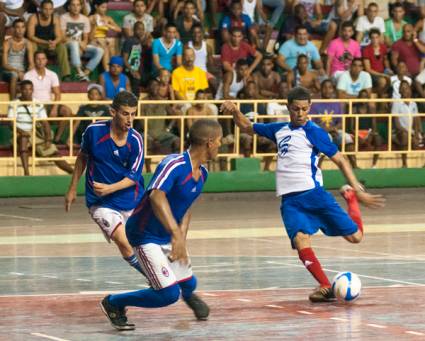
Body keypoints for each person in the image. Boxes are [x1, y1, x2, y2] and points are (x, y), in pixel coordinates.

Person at [222, 87, 385, 302]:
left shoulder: (315, 132)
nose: (300, 113)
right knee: (300, 240)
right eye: (296, 109)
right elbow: (246, 126)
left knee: (355, 237)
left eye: (304, 109)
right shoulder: (278, 129)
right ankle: (325, 285)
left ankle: (350, 200)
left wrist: (358, 191)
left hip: (315, 196)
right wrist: (235, 110)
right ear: (288, 107)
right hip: (290, 201)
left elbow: (341, 160)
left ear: (309, 108)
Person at [100, 119, 222, 330]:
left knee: (189, 284)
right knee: (167, 294)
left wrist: (180, 240)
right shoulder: (173, 164)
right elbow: (157, 196)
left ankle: (187, 293)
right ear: (210, 142)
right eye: (220, 141)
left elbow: (186, 207)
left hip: (168, 235)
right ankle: (113, 303)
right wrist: (176, 235)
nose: (221, 145)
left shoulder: (203, 174)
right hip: (144, 234)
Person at [65, 91, 146, 277]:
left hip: (132, 199)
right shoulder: (93, 132)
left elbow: (133, 177)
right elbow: (82, 157)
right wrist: (72, 188)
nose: (130, 119)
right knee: (124, 243)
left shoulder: (136, 140)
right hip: (101, 203)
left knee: (146, 244)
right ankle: (153, 278)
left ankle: (162, 274)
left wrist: (110, 188)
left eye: (133, 114)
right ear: (112, 112)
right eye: (125, 113)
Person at [7, 80, 73, 176]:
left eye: (30, 89)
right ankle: (27, 173)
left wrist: (48, 139)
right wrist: (21, 132)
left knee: (54, 153)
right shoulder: (14, 104)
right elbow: (11, 123)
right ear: (20, 90)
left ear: (32, 90)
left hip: (35, 134)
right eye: (25, 89)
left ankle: (73, 172)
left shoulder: (38, 103)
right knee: (23, 139)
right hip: (19, 133)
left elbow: (45, 123)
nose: (27, 91)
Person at [26, 0, 70, 80]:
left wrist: (54, 42)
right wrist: (46, 42)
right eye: (45, 9)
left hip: (50, 44)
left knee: (62, 47)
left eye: (50, 9)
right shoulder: (33, 18)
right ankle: (32, 71)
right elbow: (30, 36)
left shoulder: (55, 18)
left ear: (53, 10)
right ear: (40, 9)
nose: (48, 11)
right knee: (31, 45)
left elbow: (59, 36)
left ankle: (66, 75)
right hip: (38, 43)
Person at [60, 0, 104, 81]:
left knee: (99, 50)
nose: (76, 7)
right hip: (67, 45)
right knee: (74, 43)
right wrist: (79, 43)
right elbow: (63, 37)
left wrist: (82, 44)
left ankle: (85, 73)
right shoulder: (63, 17)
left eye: (78, 5)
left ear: (81, 7)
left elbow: (85, 38)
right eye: (73, 5)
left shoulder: (84, 19)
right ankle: (79, 71)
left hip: (79, 46)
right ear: (69, 7)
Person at [2, 18, 34, 100]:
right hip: (8, 71)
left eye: (23, 27)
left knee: (31, 77)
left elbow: (31, 63)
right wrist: (17, 71)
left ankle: (30, 104)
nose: (20, 30)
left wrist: (29, 71)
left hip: (22, 71)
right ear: (13, 29)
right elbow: (4, 64)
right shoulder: (7, 43)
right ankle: (13, 105)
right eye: (18, 27)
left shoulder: (28, 43)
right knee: (14, 75)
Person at [89, 0, 121, 72]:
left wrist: (108, 25)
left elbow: (119, 29)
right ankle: (108, 71)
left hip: (103, 40)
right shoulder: (91, 18)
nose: (105, 9)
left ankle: (113, 69)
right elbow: (90, 37)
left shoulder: (108, 18)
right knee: (106, 45)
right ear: (96, 7)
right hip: (93, 41)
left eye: (106, 7)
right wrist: (95, 25)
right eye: (103, 7)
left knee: (111, 42)